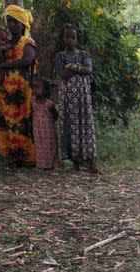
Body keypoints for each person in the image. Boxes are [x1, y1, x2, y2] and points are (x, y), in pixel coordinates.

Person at [0, 5, 37, 167]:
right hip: (4, 89)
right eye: (9, 21)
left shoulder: (28, 42)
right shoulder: (5, 43)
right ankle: (13, 158)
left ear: (22, 24)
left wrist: (4, 66)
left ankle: (28, 158)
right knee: (7, 122)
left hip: (22, 90)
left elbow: (27, 61)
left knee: (23, 122)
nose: (12, 25)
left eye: (16, 22)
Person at [54, 24, 100, 175]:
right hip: (66, 96)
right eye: (67, 37)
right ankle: (75, 164)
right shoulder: (60, 56)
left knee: (86, 126)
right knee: (70, 126)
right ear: (63, 38)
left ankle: (92, 164)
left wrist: (72, 67)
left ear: (77, 39)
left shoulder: (84, 55)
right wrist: (78, 69)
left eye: (73, 37)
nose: (70, 40)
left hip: (82, 97)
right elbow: (63, 75)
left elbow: (89, 70)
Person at [31, 78, 58, 170]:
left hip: (48, 130)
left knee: (50, 146)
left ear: (45, 90)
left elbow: (56, 116)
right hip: (37, 129)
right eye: (33, 87)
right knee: (39, 146)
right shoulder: (32, 101)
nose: (34, 90)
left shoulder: (49, 104)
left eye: (37, 88)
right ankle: (41, 164)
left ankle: (51, 164)